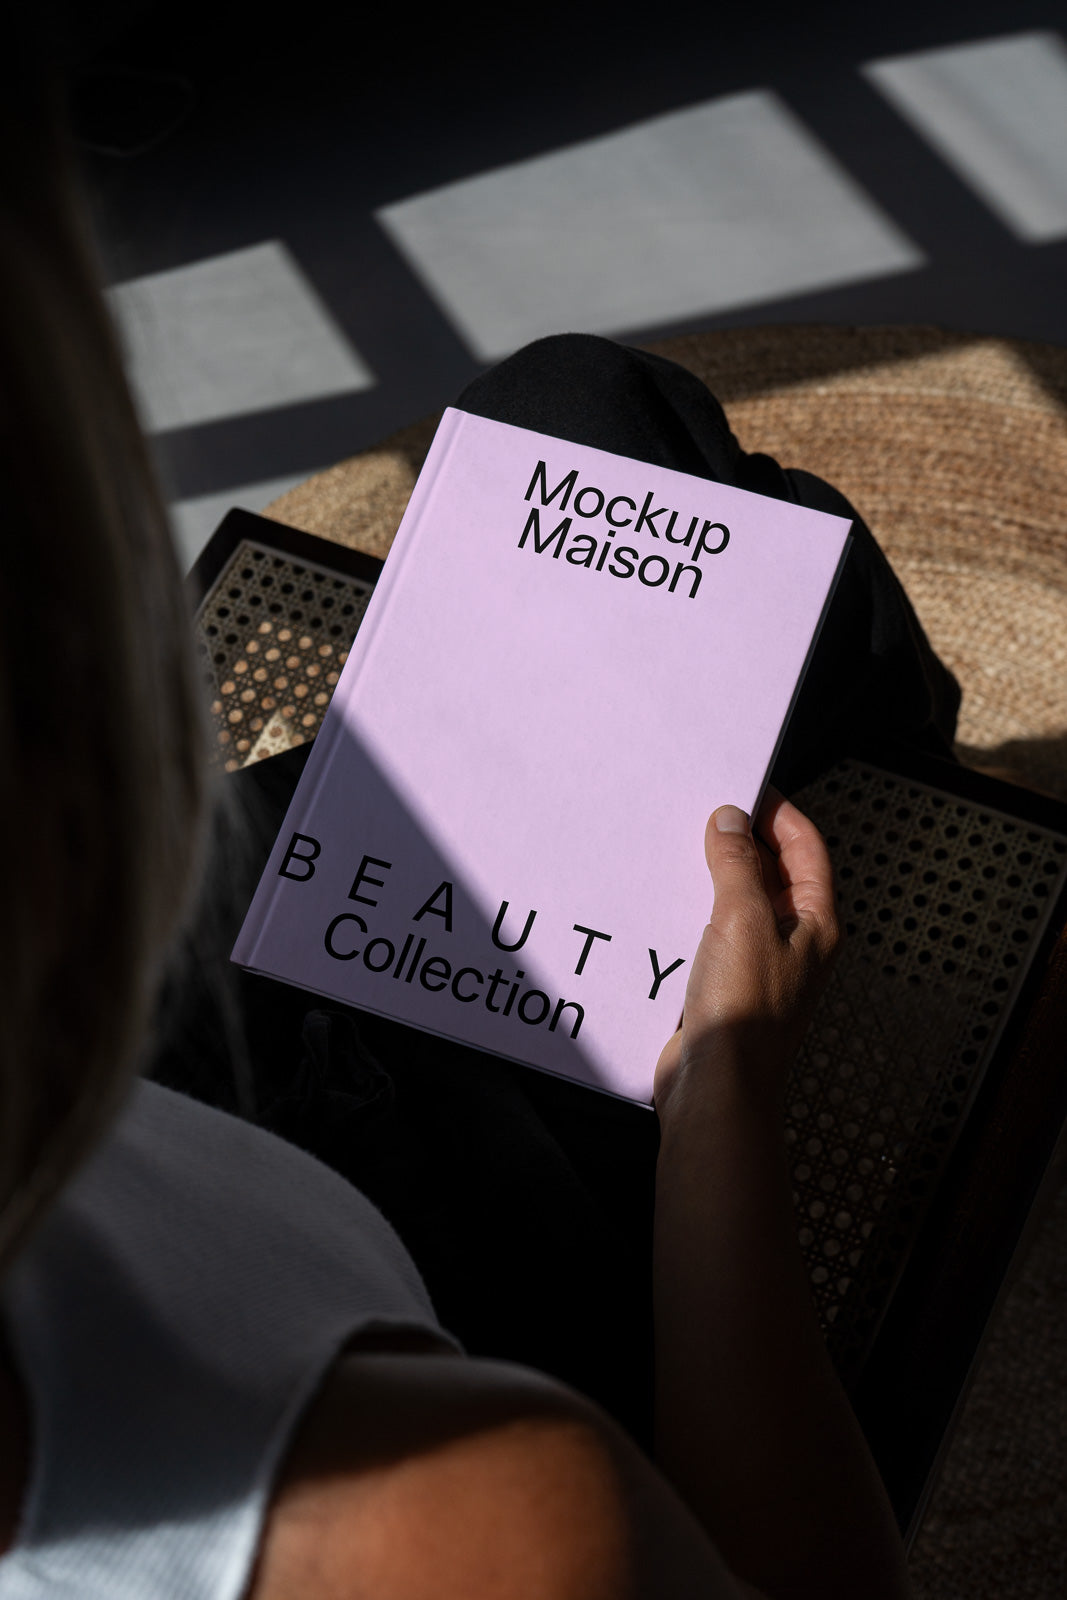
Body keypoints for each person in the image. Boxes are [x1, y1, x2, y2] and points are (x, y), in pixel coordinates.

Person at [0, 28, 935, 1600]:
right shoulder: (467, 1517)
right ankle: (866, 698)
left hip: (142, 1105)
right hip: (397, 1253)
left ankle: (828, 662)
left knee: (565, 422)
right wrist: (722, 1106)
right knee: (675, 481)